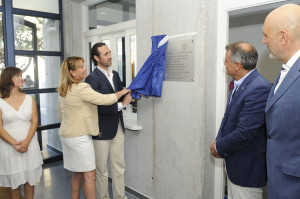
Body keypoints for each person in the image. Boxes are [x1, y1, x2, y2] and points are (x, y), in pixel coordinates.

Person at [57, 56, 130, 199]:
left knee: (77, 173)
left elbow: (61, 114)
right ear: (72, 72)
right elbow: (104, 99)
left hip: (67, 136)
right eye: (81, 67)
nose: (85, 69)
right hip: (80, 138)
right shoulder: (81, 87)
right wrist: (123, 92)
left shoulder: (63, 89)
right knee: (90, 174)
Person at [210, 42, 271, 199]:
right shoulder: (238, 84)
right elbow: (228, 118)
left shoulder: (258, 87)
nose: (224, 64)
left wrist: (219, 147)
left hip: (247, 168)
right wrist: (219, 141)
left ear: (237, 65)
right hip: (235, 162)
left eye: (226, 61)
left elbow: (246, 132)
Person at [262, 4, 300, 198]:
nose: (263, 40)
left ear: (283, 37)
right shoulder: (286, 70)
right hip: (279, 182)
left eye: (266, 35)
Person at [86, 43, 132, 199]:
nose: (110, 56)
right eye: (105, 54)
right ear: (96, 58)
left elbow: (120, 95)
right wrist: (122, 104)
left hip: (118, 127)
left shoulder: (116, 75)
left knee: (119, 167)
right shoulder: (91, 79)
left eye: (110, 53)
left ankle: (121, 197)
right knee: (102, 170)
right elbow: (97, 106)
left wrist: (130, 95)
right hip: (101, 130)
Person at [0, 67, 43, 199]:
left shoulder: (29, 99)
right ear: (8, 79)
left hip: (29, 143)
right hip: (9, 145)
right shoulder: (0, 101)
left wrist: (26, 142)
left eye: (21, 75)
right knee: (14, 182)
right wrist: (15, 143)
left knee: (30, 180)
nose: (21, 78)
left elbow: (35, 121)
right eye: (17, 76)